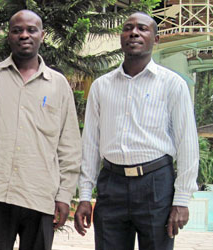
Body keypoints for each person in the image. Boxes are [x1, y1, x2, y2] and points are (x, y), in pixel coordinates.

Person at [74, 12, 199, 250]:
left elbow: (187, 145)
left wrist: (181, 200)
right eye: (128, 28)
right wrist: (84, 196)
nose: (134, 33)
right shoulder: (102, 86)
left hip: (156, 184)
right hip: (111, 185)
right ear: (121, 38)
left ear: (156, 39)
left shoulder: (172, 84)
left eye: (143, 28)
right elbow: (90, 145)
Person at [0, 9, 82, 250]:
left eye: (31, 30)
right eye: (17, 30)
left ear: (42, 35)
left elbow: (69, 147)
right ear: (9, 36)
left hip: (40, 196)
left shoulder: (58, 85)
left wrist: (65, 195)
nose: (24, 35)